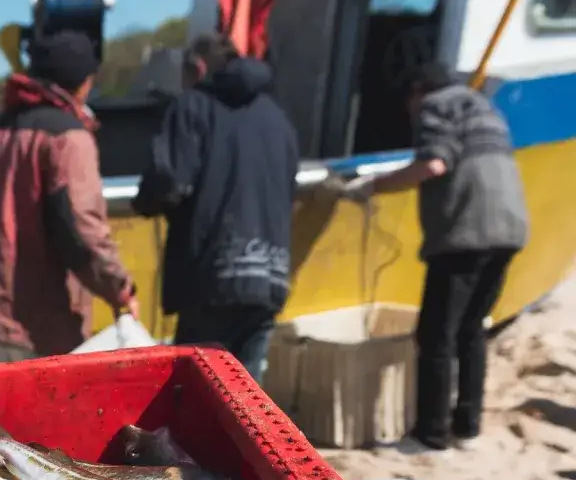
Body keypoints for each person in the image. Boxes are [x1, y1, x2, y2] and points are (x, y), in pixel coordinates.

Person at [338, 61, 529, 452]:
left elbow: (433, 163)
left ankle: (431, 435)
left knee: (436, 335)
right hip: (510, 232)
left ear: (416, 91)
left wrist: (373, 186)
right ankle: (468, 427)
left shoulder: (435, 106)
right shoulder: (484, 109)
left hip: (464, 234)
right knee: (472, 329)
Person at [0, 30, 138, 361]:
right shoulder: (69, 139)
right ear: (82, 82)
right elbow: (81, 228)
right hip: (41, 327)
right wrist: (120, 289)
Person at [131, 32, 299, 384]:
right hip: (270, 275)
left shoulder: (192, 106)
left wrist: (145, 201)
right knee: (246, 403)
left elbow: (169, 183)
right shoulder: (278, 119)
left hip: (211, 276)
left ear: (198, 67)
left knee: (196, 397)